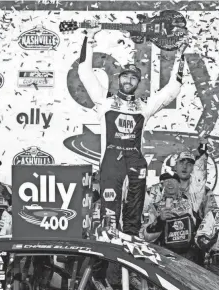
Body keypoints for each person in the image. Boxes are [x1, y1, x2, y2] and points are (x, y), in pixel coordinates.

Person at [78, 25, 188, 238]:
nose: (128, 80)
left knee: (132, 220)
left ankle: (129, 261)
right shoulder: (105, 100)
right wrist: (89, 38)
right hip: (111, 163)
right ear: (119, 79)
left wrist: (180, 55)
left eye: (133, 78)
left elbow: (173, 89)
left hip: (135, 164)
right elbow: (84, 71)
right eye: (125, 76)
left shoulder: (144, 105)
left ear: (138, 83)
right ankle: (106, 267)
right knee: (108, 220)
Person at [144, 147, 217, 265]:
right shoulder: (156, 191)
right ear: (175, 166)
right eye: (181, 163)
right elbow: (145, 229)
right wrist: (159, 221)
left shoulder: (203, 193)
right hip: (163, 250)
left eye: (189, 164)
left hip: (192, 252)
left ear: (194, 168)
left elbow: (213, 221)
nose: (185, 166)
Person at [143, 171, 201, 262]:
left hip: (189, 258)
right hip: (166, 257)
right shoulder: (155, 207)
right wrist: (160, 220)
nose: (170, 183)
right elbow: (147, 237)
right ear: (161, 185)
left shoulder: (191, 202)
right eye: (166, 181)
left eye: (173, 180)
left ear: (179, 184)